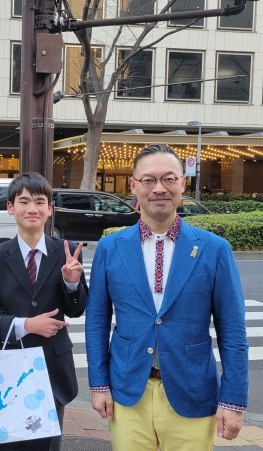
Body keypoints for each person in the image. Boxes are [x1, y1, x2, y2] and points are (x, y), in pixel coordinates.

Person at [86, 144, 248, 451]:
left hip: (193, 392)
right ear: (133, 186)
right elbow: (96, 322)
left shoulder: (214, 249)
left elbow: (233, 332)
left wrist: (233, 400)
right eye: (148, 180)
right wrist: (99, 383)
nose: (159, 188)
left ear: (182, 183)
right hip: (127, 392)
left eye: (169, 179)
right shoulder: (111, 247)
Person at [0, 172, 88, 451]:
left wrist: (72, 284)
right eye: (23, 201)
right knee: (4, 445)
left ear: (49, 209)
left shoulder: (67, 252)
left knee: (47, 445)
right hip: (6, 372)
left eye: (39, 202)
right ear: (10, 207)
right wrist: (26, 325)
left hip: (52, 371)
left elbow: (76, 310)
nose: (32, 208)